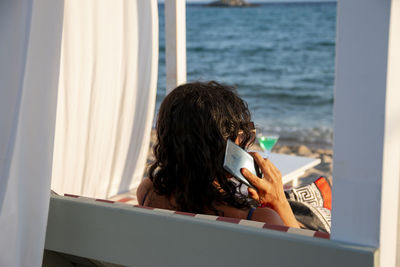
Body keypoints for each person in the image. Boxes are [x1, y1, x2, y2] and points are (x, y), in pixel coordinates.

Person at [137, 81, 299, 228]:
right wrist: (279, 202)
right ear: (222, 147)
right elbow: (304, 254)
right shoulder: (259, 220)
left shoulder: (147, 192)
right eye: (240, 135)